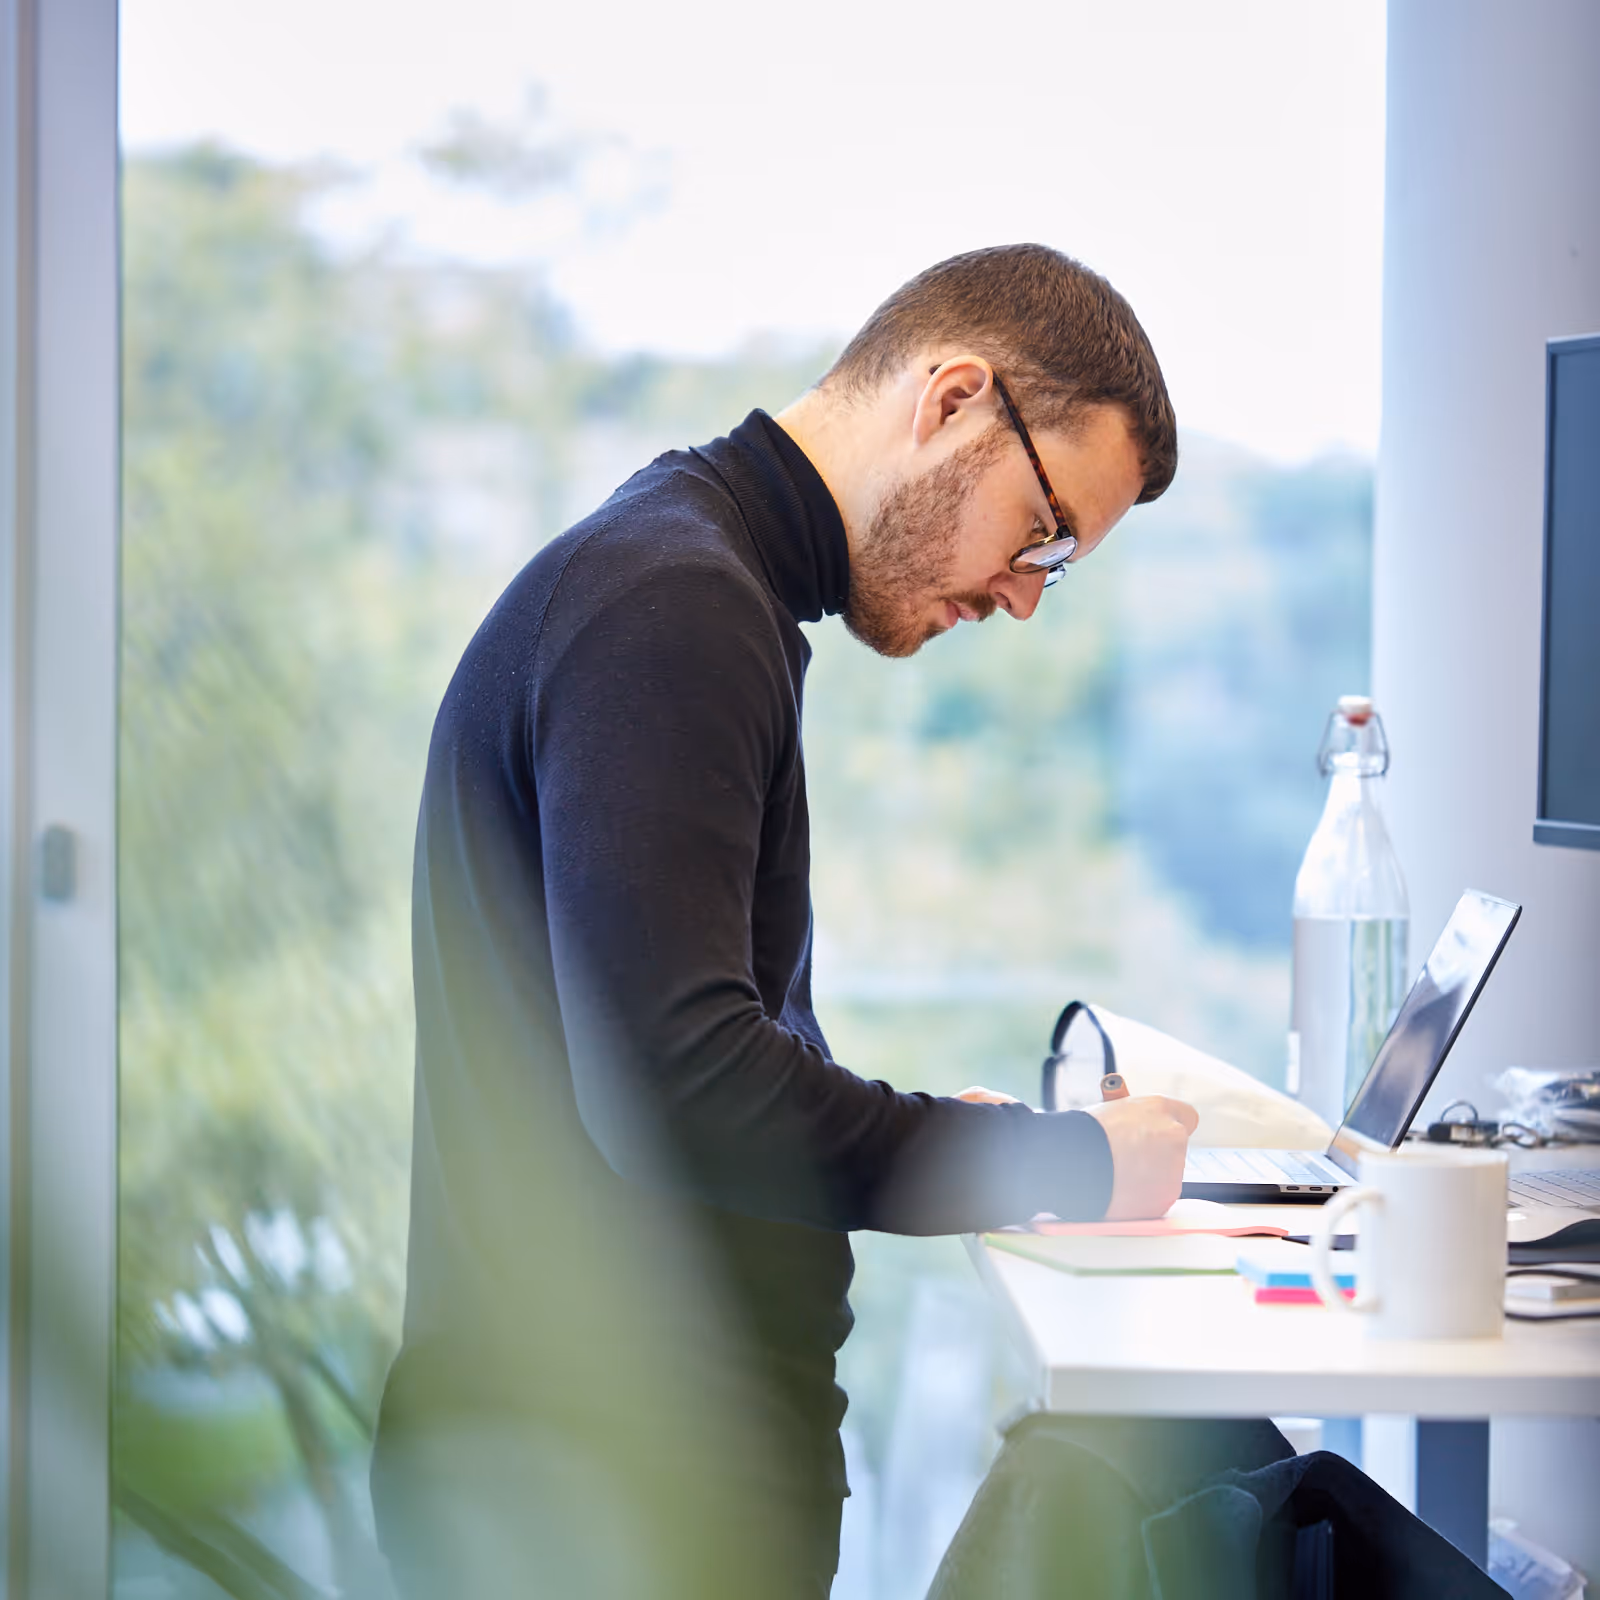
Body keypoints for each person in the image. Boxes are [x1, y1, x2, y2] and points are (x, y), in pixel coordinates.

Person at [371, 243, 1199, 1599]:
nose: (1025, 593)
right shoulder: (677, 610)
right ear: (952, 401)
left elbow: (705, 1035)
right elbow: (679, 1087)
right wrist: (1055, 1162)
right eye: (1042, 532)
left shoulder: (695, 583)